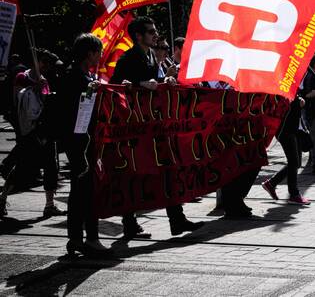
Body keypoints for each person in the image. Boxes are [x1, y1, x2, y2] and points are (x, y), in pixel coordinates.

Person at [110, 16, 203, 238]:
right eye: (151, 32)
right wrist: (138, 85)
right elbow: (115, 87)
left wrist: (165, 82)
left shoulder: (152, 55)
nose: (155, 35)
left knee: (168, 169)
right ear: (139, 36)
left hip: (156, 126)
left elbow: (156, 85)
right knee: (135, 174)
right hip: (135, 128)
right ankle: (130, 224)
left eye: (154, 31)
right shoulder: (128, 58)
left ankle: (177, 220)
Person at [61, 33, 111, 257]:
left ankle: (75, 239)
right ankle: (91, 238)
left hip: (76, 142)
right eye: (98, 52)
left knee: (78, 191)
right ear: (89, 53)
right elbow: (81, 111)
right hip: (83, 142)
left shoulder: (72, 75)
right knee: (88, 190)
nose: (100, 56)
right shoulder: (80, 79)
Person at [0, 49, 66, 217]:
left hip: (45, 128)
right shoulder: (23, 77)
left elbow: (47, 102)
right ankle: (3, 197)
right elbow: (18, 103)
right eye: (45, 63)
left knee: (51, 166)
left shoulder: (47, 79)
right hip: (29, 130)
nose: (46, 68)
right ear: (39, 62)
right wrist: (34, 87)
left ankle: (49, 204)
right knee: (23, 167)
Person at [261, 90, 311, 205]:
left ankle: (272, 183)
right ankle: (294, 194)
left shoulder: (290, 83)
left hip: (293, 129)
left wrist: (298, 99)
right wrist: (297, 101)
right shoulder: (281, 84)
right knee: (293, 161)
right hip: (285, 130)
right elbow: (282, 103)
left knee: (296, 163)